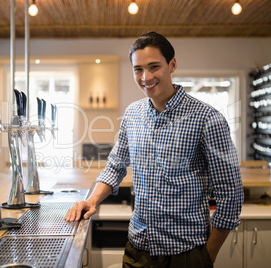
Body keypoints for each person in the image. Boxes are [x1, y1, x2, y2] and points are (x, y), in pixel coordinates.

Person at [65, 32, 244, 267]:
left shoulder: (207, 118)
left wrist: (207, 256)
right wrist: (93, 200)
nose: (145, 77)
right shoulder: (133, 114)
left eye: (154, 67)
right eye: (138, 69)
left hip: (186, 254)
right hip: (137, 250)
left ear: (172, 65)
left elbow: (231, 194)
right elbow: (115, 167)